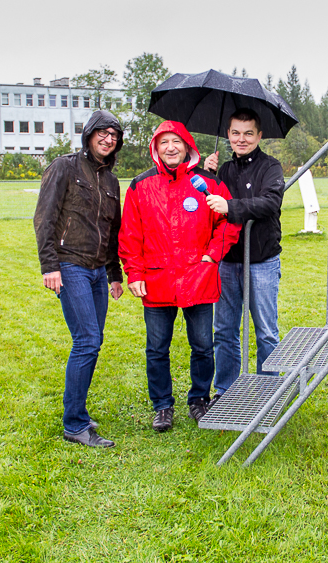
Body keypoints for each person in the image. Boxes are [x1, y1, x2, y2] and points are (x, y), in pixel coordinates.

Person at [119, 121, 240, 432]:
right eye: (164, 142)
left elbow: (228, 222)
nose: (170, 147)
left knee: (202, 345)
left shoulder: (208, 183)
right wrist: (134, 272)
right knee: (157, 348)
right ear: (155, 149)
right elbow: (130, 234)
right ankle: (162, 405)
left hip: (198, 276)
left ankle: (199, 399)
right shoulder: (140, 186)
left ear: (188, 146)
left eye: (176, 141)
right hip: (156, 280)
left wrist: (211, 255)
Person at [33, 110, 124, 449]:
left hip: (98, 271)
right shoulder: (64, 167)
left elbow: (111, 231)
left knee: (93, 342)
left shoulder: (111, 182)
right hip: (70, 265)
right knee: (86, 340)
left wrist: (114, 274)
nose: (108, 139)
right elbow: (44, 218)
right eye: (102, 132)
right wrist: (49, 266)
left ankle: (78, 412)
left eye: (114, 135)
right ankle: (74, 425)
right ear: (88, 134)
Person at [203, 109, 285, 398]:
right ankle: (225, 390)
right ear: (228, 135)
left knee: (266, 331)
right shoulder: (223, 170)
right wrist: (207, 174)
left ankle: (268, 392)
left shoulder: (271, 167)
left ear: (259, 136)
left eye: (248, 133)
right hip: (228, 261)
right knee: (224, 330)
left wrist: (231, 207)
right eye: (236, 133)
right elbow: (205, 205)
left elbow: (270, 202)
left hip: (262, 261)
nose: (242, 139)